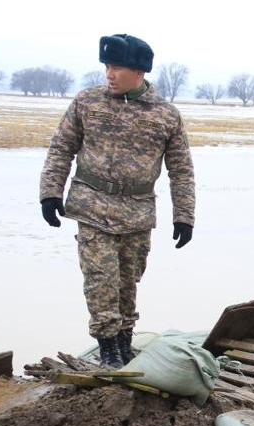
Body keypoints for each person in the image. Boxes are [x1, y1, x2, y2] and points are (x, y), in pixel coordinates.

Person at [39, 34, 195, 369]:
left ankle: (125, 343)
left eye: (117, 67)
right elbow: (61, 149)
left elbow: (181, 170)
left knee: (128, 282)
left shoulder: (165, 115)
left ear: (139, 71)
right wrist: (50, 193)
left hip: (137, 213)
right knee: (100, 280)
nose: (109, 74)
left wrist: (184, 216)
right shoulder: (87, 102)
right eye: (106, 66)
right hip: (91, 207)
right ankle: (108, 349)